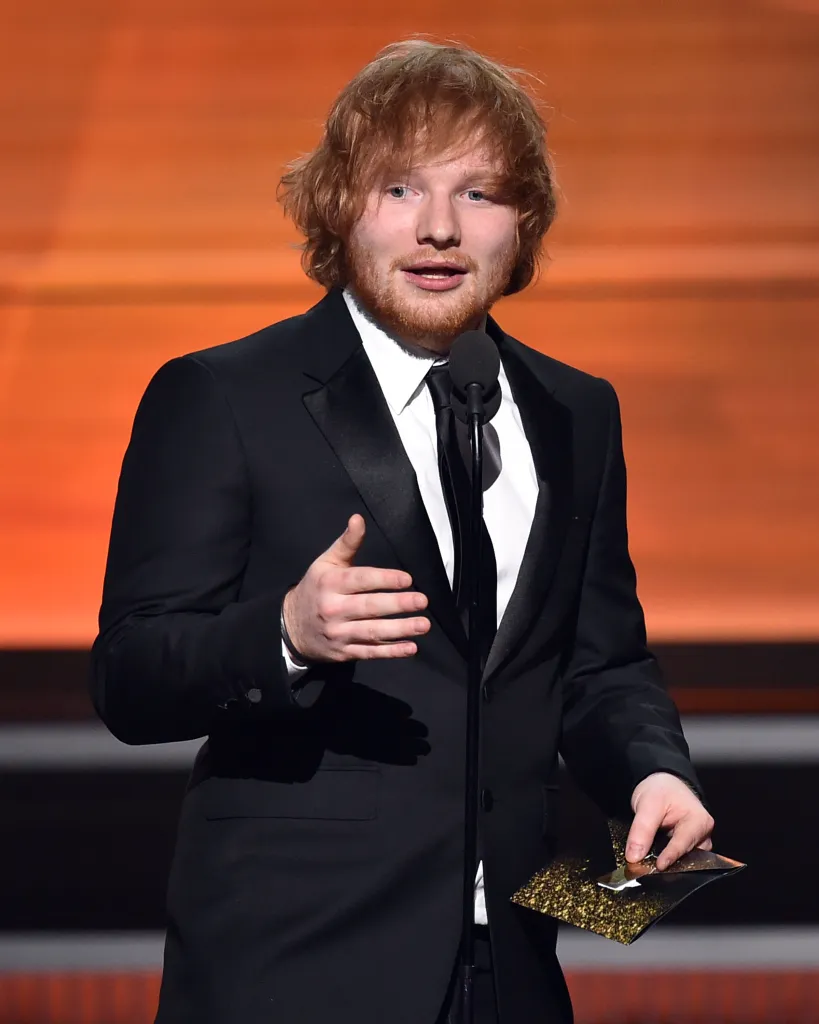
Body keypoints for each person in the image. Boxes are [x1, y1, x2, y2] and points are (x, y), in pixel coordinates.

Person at [90, 39, 714, 1024]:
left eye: (479, 194)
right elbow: (130, 673)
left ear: (526, 224)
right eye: (398, 188)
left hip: (511, 967)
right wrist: (286, 633)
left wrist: (652, 768)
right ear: (342, 207)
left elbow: (599, 663)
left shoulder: (576, 412)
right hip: (294, 965)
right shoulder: (222, 396)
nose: (437, 231)